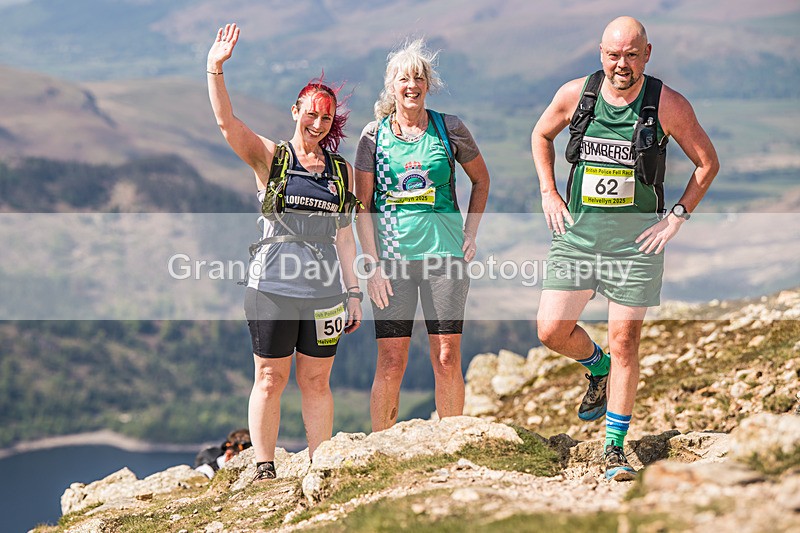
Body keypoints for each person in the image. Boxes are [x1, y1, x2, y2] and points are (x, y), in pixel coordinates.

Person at [531, 16, 719, 481]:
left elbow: (707, 162)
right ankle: (598, 368)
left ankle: (614, 448)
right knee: (551, 329)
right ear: (600, 53)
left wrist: (677, 216)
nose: (622, 64)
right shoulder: (577, 95)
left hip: (635, 247)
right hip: (579, 238)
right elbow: (540, 136)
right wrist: (549, 193)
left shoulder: (667, 104)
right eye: (614, 55)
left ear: (647, 54)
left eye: (632, 55)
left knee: (626, 342)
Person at [207, 23, 363, 481]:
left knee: (316, 382)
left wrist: (353, 293)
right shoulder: (272, 158)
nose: (318, 123)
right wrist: (214, 69)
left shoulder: (340, 171)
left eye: (326, 117)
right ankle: (263, 466)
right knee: (270, 379)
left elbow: (345, 235)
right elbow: (226, 124)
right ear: (295, 110)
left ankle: (321, 464)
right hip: (270, 288)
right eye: (310, 113)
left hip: (323, 294)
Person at [355, 38, 490, 431]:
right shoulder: (373, 136)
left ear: (427, 85)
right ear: (391, 86)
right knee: (392, 360)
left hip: (445, 260)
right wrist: (372, 266)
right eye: (403, 79)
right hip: (392, 265)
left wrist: (471, 233)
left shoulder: (450, 128)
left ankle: (451, 442)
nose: (411, 85)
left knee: (446, 355)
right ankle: (380, 446)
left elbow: (481, 180)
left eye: (418, 78)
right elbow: (362, 206)